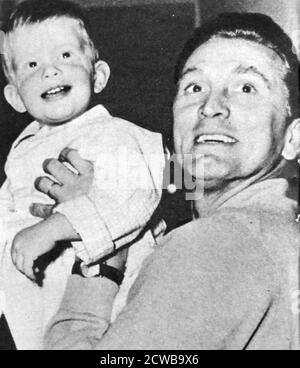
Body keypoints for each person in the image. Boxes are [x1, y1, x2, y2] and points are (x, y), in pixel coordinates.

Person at [41, 12, 299, 350]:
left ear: (294, 138)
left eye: (245, 87)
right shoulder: (278, 236)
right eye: (195, 87)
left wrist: (101, 229)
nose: (211, 107)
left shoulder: (214, 243)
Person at [0, 0, 164, 349]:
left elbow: (133, 197)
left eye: (65, 56)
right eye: (32, 64)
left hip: (107, 300)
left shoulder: (114, 133)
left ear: (98, 75)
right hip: (30, 305)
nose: (50, 71)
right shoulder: (21, 149)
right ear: (15, 96)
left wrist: (53, 228)